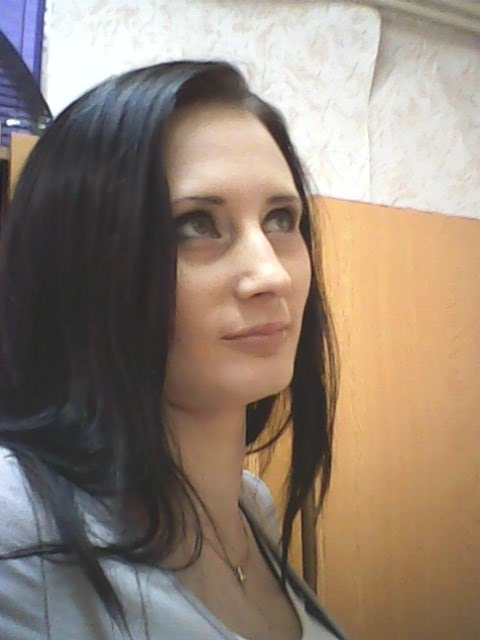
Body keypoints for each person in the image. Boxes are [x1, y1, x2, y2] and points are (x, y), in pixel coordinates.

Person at [0, 60, 347, 639]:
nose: (272, 274)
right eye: (196, 225)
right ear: (82, 263)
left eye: (281, 219)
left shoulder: (251, 507)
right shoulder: (18, 519)